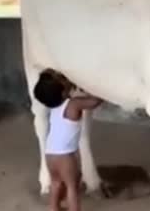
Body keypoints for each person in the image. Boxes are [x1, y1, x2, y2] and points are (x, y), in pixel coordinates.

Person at [33, 68, 103, 211]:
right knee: (72, 186)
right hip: (65, 156)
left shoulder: (54, 108)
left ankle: (53, 208)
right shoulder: (74, 104)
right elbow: (95, 102)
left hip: (50, 154)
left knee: (56, 183)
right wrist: (95, 88)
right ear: (63, 91)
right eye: (63, 78)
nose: (67, 78)